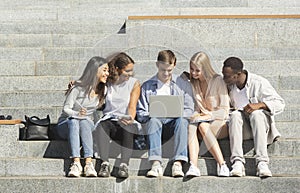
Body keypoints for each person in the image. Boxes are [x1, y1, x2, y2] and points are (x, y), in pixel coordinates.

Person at [222, 56, 285, 177]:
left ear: (238, 74)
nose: (224, 78)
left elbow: (280, 103)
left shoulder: (259, 82)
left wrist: (260, 105)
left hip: (260, 126)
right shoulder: (230, 85)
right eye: (223, 74)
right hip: (241, 128)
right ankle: (237, 162)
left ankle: (262, 162)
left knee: (256, 114)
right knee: (235, 115)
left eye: (227, 76)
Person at [136, 50, 194, 177]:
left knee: (182, 120)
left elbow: (189, 109)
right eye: (163, 70)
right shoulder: (147, 86)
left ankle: (178, 163)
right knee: (154, 120)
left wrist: (177, 113)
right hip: (155, 126)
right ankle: (156, 163)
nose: (166, 73)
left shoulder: (182, 84)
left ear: (174, 65)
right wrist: (151, 114)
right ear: (157, 65)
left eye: (170, 70)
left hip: (175, 125)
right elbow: (140, 113)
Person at [56, 56, 109, 177]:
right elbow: (66, 109)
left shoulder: (104, 89)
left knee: (84, 121)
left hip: (85, 124)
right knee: (75, 120)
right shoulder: (78, 88)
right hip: (67, 124)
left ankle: (88, 163)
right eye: (104, 70)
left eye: (108, 70)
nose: (107, 73)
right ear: (95, 70)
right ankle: (76, 163)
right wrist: (76, 114)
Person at [182, 52, 230, 177]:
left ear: (205, 68)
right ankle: (193, 166)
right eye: (191, 69)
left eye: (197, 70)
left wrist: (207, 116)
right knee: (191, 125)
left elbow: (225, 110)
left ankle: (222, 165)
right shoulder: (194, 83)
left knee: (203, 125)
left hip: (220, 122)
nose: (193, 73)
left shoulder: (218, 80)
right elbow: (197, 107)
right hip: (201, 122)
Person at [94, 52, 141, 178]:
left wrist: (130, 118)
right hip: (110, 120)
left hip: (125, 121)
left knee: (128, 127)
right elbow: (92, 85)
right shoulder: (108, 82)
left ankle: (124, 165)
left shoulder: (134, 83)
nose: (130, 73)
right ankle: (104, 163)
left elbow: (132, 106)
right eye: (127, 71)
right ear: (117, 69)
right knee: (102, 126)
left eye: (132, 70)